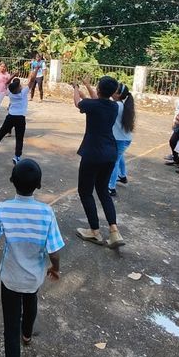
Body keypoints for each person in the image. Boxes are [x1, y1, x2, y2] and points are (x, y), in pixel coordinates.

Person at [0, 159, 63, 357]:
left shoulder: (3, 208)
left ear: (12, 181)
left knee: (10, 330)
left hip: (10, 277)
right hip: (34, 275)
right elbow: (55, 249)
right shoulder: (46, 212)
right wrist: (55, 268)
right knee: (31, 300)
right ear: (38, 185)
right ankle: (27, 334)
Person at [73, 76, 123, 248]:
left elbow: (78, 103)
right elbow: (97, 102)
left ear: (99, 89)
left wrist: (75, 89)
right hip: (110, 151)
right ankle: (114, 230)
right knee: (102, 190)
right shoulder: (114, 106)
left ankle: (94, 231)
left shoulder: (92, 105)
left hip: (93, 152)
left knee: (85, 191)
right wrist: (86, 86)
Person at [0, 74, 32, 164]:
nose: (21, 86)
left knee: (1, 132)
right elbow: (32, 80)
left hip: (10, 117)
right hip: (20, 118)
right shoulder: (23, 93)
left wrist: (13, 75)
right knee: (19, 138)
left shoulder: (10, 93)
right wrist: (37, 69)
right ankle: (17, 157)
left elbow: (7, 83)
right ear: (18, 88)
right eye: (19, 85)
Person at [108, 82, 135, 197]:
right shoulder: (123, 105)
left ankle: (111, 187)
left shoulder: (115, 106)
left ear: (118, 94)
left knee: (114, 162)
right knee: (119, 157)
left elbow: (97, 101)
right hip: (125, 139)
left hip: (119, 140)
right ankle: (122, 175)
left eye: (114, 90)